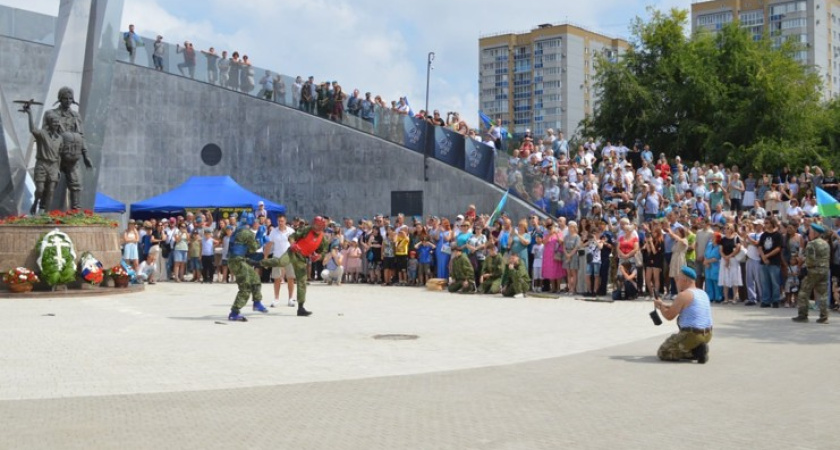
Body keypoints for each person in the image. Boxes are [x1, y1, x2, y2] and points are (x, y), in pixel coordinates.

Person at [261, 216, 330, 317]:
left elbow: (323, 252)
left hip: (302, 259)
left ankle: (301, 308)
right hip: (292, 252)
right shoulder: (307, 230)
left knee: (302, 281)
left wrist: (318, 257)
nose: (315, 226)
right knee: (280, 262)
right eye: (314, 224)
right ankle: (259, 263)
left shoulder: (323, 238)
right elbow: (292, 236)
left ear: (322, 226)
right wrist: (292, 244)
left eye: (318, 225)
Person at [654, 266, 713, 364]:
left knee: (663, 352)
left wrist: (660, 307)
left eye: (678, 278)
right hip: (707, 334)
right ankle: (699, 347)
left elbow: (669, 316)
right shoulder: (702, 293)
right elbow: (682, 307)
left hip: (693, 335)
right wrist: (663, 304)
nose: (676, 281)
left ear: (685, 280)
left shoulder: (684, 295)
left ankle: (695, 352)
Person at [226, 213, 269, 322]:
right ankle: (234, 313)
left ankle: (257, 302)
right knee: (245, 288)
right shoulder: (247, 233)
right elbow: (254, 248)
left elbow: (246, 249)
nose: (256, 223)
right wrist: (260, 237)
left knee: (255, 278)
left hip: (236, 260)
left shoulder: (237, 231)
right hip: (238, 261)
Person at [792, 223, 831, 323]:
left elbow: (810, 260)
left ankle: (803, 315)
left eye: (810, 231)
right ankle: (824, 317)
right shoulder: (826, 243)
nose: (809, 234)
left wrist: (802, 263)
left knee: (804, 293)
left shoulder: (811, 244)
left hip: (813, 271)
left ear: (815, 233)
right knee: (823, 294)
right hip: (824, 270)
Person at [264, 214, 296, 308]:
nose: (280, 223)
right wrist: (265, 257)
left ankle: (290, 299)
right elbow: (269, 245)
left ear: (285, 221)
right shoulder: (274, 232)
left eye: (282, 221)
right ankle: (276, 299)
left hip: (289, 257)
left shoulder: (291, 231)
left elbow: (294, 244)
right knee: (277, 278)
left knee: (290, 278)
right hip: (277, 257)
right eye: (279, 221)